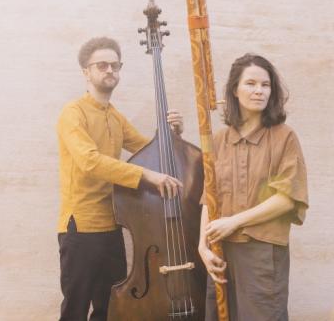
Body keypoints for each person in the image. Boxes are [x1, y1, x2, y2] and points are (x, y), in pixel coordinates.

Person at [56, 36, 184, 321]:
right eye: (102, 65)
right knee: (75, 309)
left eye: (115, 65)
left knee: (111, 308)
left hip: (112, 225)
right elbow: (90, 161)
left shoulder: (115, 116)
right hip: (80, 228)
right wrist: (147, 175)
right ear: (85, 72)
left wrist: (173, 134)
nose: (110, 70)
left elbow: (148, 151)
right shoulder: (72, 113)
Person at [198, 53, 309, 321]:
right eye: (250, 84)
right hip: (221, 250)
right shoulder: (219, 140)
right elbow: (209, 197)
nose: (259, 90)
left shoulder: (284, 137)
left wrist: (234, 221)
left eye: (265, 85)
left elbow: (287, 199)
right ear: (235, 90)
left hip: (262, 253)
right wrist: (202, 245)